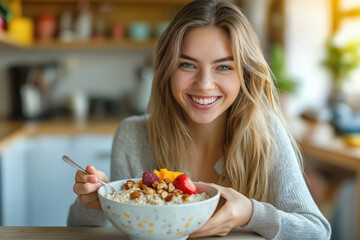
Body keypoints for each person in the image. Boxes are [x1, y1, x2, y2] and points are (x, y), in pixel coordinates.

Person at [67, 0, 331, 239]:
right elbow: (93, 230)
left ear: (246, 75)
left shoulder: (266, 134)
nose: (204, 84)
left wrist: (251, 213)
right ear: (168, 69)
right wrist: (96, 203)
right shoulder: (133, 136)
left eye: (224, 67)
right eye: (188, 65)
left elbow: (317, 232)